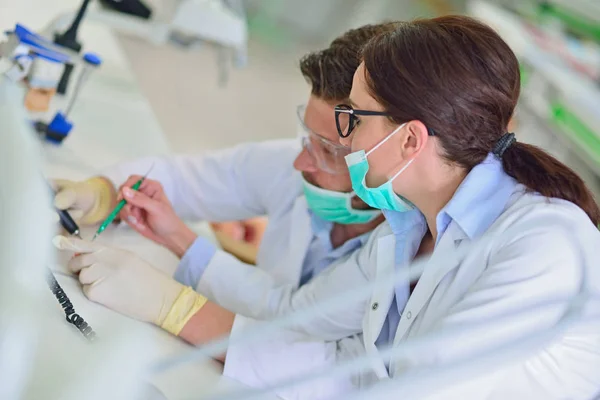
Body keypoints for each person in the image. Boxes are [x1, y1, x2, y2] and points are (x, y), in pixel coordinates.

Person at [52, 23, 396, 399]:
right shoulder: (296, 166)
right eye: (307, 137)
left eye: (327, 149)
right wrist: (103, 192)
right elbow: (192, 177)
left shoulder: (402, 252)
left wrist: (174, 304)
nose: (301, 161)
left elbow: (297, 328)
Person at [331, 15, 600, 398]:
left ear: (410, 139)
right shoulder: (414, 225)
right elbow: (356, 368)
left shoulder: (547, 242)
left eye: (356, 117)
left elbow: (427, 386)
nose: (346, 141)